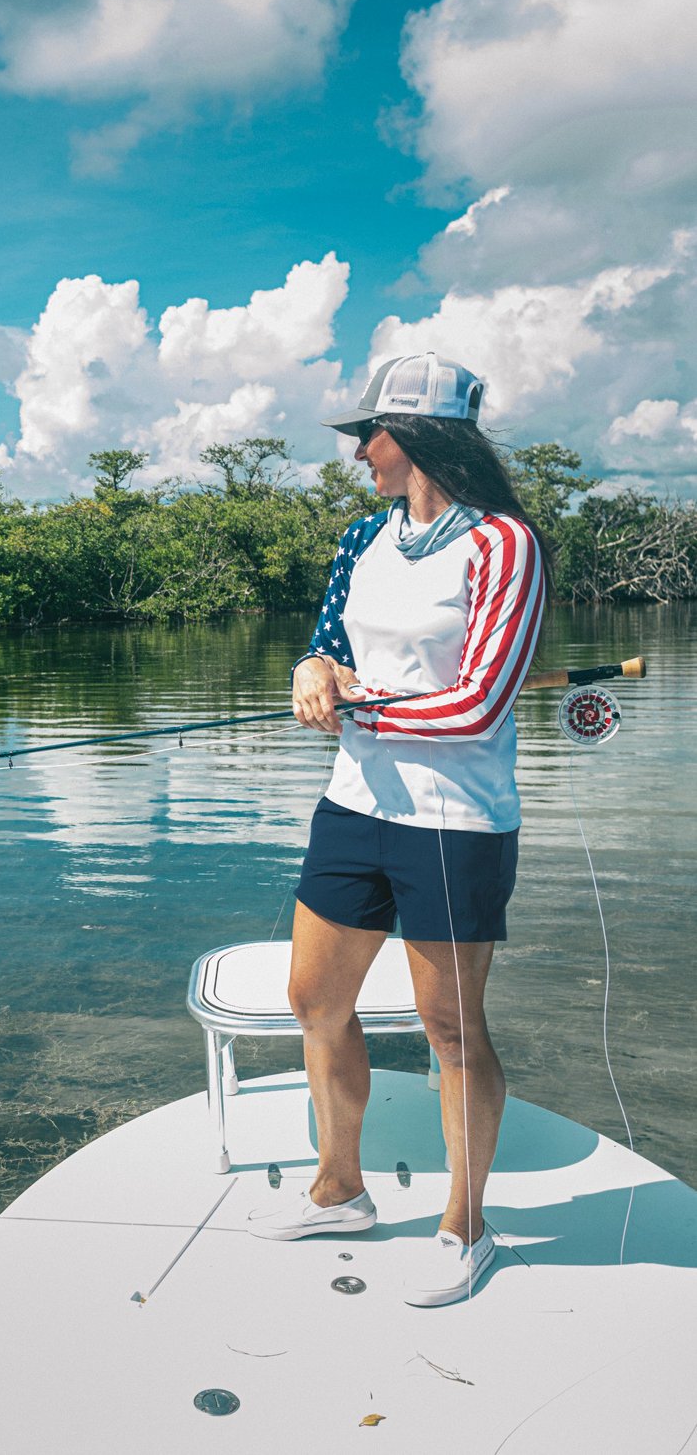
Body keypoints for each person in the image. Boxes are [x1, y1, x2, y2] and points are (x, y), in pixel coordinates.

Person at [244, 352, 547, 1308]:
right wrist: (311, 671)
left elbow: (479, 705)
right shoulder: (361, 538)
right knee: (314, 1003)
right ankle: (341, 1192)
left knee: (450, 1030)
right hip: (354, 808)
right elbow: (329, 642)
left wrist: (360, 706)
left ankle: (467, 1225)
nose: (359, 452)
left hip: (454, 825)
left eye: (367, 433)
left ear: (415, 438)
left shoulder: (506, 546)